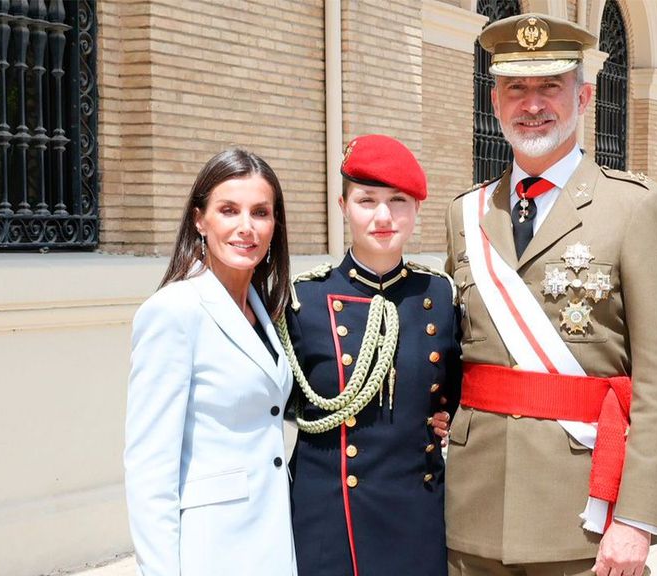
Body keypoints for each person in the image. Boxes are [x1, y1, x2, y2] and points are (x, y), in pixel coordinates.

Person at [444, 14, 657, 576]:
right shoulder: (465, 214)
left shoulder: (634, 209)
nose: (532, 104)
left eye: (550, 86)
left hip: (582, 514)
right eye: (517, 88)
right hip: (474, 506)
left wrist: (637, 517)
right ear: (495, 100)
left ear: (583, 97)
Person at [279, 134, 461, 576]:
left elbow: (458, 389)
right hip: (329, 517)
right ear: (343, 207)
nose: (383, 216)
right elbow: (281, 404)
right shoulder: (303, 299)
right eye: (366, 200)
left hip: (417, 512)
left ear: (417, 209)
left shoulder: (439, 294)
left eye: (398, 201)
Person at [124, 149, 297, 576]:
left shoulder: (266, 311)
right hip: (211, 547)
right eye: (228, 210)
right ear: (200, 219)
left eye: (260, 212)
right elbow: (150, 467)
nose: (246, 227)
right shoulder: (174, 311)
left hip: (274, 534)